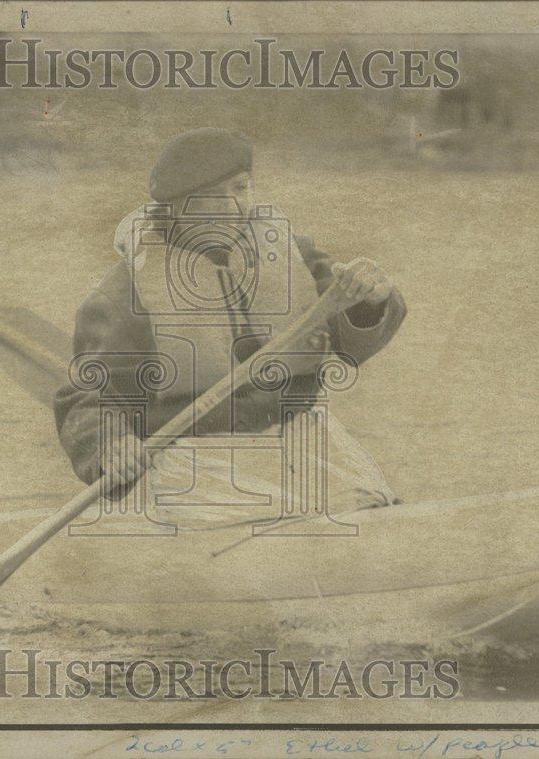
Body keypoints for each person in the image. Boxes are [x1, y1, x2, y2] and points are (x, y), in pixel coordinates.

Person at [54, 128, 406, 520]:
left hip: (300, 432)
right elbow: (87, 396)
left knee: (370, 510)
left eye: (241, 189)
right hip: (196, 452)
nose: (236, 208)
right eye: (214, 199)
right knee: (251, 539)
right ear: (178, 208)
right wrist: (111, 443)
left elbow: (345, 336)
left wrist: (371, 301)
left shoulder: (291, 254)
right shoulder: (125, 293)